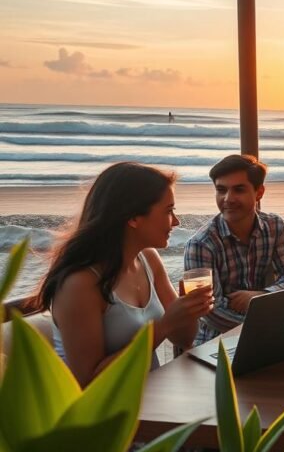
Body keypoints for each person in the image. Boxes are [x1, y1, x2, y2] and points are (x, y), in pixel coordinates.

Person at [37, 163, 213, 386]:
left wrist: (189, 311)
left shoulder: (148, 259)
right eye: (168, 211)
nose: (176, 222)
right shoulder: (80, 283)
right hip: (106, 414)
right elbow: (88, 380)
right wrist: (165, 326)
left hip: (152, 398)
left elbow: (184, 339)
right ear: (133, 218)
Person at [185, 154, 284, 346]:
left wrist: (262, 296)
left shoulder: (274, 226)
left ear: (259, 192)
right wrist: (267, 328)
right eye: (221, 190)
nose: (228, 199)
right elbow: (210, 312)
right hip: (216, 344)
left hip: (265, 336)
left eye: (238, 189)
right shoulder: (201, 244)